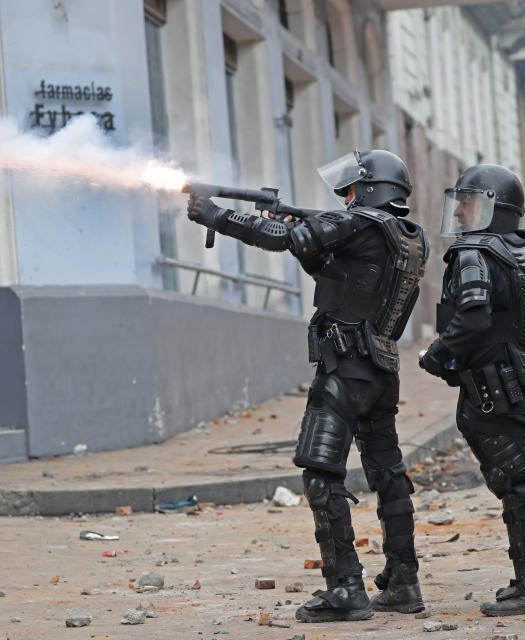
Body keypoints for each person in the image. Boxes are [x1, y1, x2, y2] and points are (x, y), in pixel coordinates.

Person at [186, 150, 428, 622]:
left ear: (371, 188)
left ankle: (345, 589)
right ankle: (403, 582)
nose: (345, 198)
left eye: (352, 189)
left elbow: (283, 239)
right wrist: (302, 232)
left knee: (321, 474)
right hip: (380, 371)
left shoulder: (363, 224)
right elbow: (336, 274)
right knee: (388, 476)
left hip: (346, 371)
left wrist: (217, 215)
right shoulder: (406, 236)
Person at [418, 165, 525, 616]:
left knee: (517, 482)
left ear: (494, 208)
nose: (460, 212)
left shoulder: (473, 253)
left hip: (493, 387)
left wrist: (437, 354)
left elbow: (475, 316)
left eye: (469, 203)